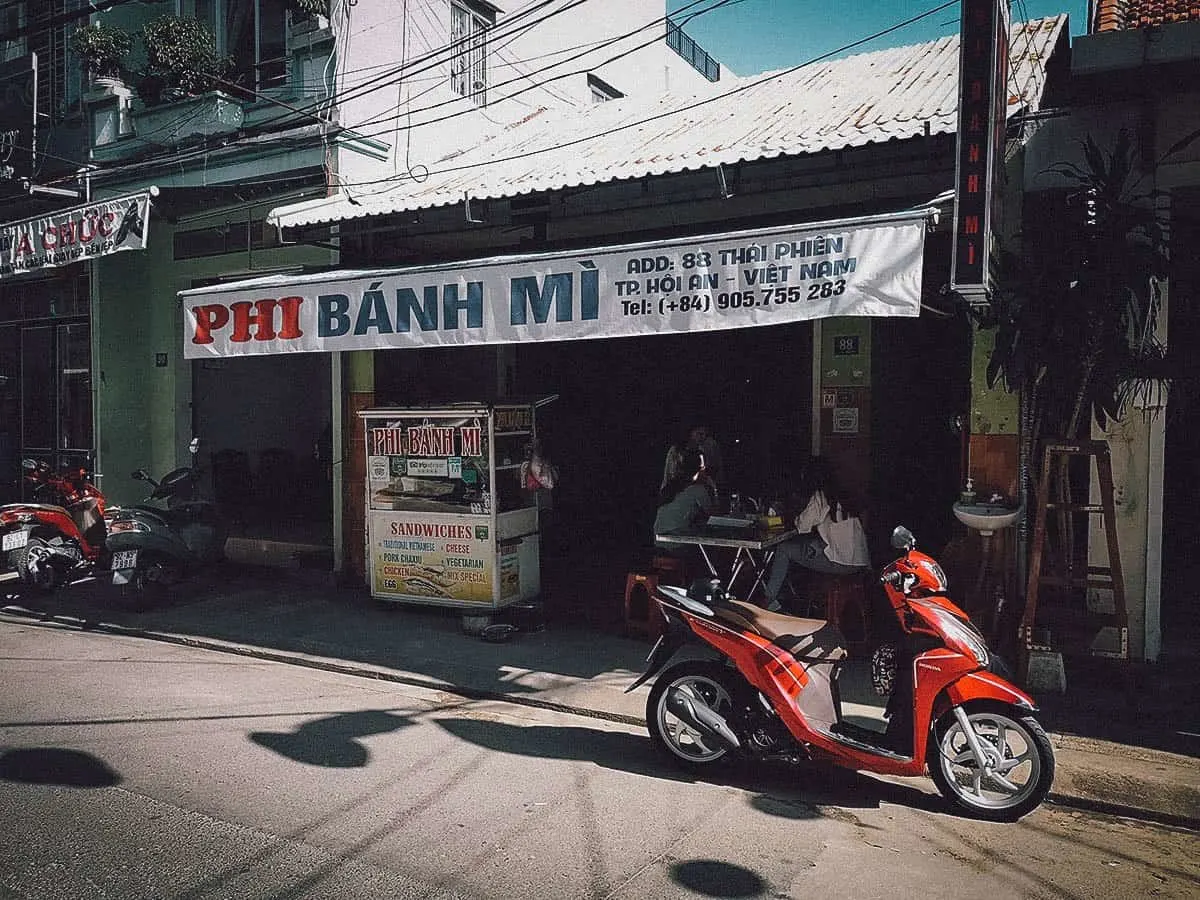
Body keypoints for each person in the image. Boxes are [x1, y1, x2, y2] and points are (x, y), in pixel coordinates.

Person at [762, 456, 870, 611]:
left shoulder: (821, 497)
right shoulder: (845, 496)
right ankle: (781, 596)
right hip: (860, 561)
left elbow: (802, 525)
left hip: (840, 563)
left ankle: (768, 599)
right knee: (812, 545)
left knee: (785, 548)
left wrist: (789, 515)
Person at [653, 447, 717, 556]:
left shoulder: (672, 486)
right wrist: (713, 488)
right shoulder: (698, 490)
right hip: (678, 543)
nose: (705, 467)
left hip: (659, 540)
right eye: (702, 465)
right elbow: (713, 515)